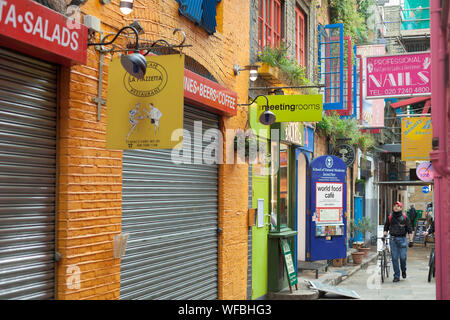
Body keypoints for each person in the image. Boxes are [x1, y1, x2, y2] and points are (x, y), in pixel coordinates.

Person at [383, 201, 414, 282]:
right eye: (395, 206)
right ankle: (396, 275)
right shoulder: (390, 217)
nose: (396, 207)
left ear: (401, 208)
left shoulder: (405, 217)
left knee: (403, 258)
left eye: (398, 206)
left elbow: (410, 230)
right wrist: (384, 235)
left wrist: (411, 240)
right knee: (394, 258)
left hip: (403, 239)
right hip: (393, 240)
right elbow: (386, 227)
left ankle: (403, 270)